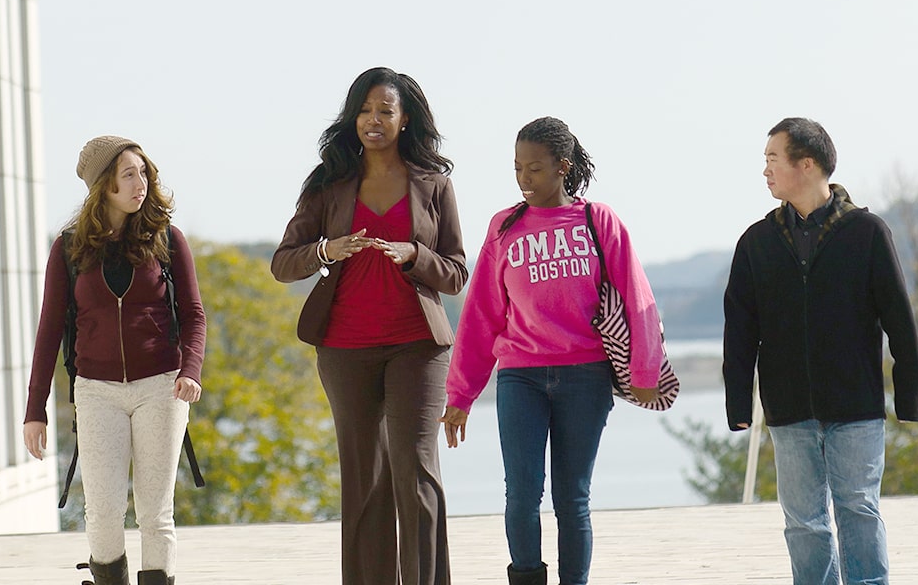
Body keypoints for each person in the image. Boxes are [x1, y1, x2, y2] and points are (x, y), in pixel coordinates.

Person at [442, 117, 662, 585]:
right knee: (521, 494)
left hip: (586, 376)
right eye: (517, 168)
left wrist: (645, 371)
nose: (524, 179)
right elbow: (481, 315)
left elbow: (637, 297)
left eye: (535, 169)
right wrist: (460, 395)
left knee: (572, 498)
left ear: (562, 167)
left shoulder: (598, 221)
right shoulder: (503, 228)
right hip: (520, 376)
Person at [271, 67, 468, 585]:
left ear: (406, 120)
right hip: (344, 347)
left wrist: (414, 254)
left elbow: (456, 272)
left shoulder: (434, 184)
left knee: (416, 472)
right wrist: (325, 250)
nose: (373, 120)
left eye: (385, 110)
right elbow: (283, 261)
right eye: (364, 110)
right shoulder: (328, 184)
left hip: (418, 347)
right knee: (366, 480)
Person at [722, 117, 918, 585]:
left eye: (773, 159)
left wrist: (910, 396)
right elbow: (739, 329)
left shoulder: (867, 232)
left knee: (859, 510)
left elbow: (899, 318)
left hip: (855, 405)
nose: (766, 171)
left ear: (807, 164)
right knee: (804, 524)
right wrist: (738, 403)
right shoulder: (756, 242)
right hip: (789, 408)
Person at [22, 136, 207, 585]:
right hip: (96, 391)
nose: (140, 183)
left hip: (160, 387)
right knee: (103, 512)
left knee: (154, 511)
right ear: (104, 184)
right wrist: (34, 410)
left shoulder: (167, 238)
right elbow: (49, 331)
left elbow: (194, 314)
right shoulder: (67, 249)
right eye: (129, 174)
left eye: (144, 172)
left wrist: (190, 369)